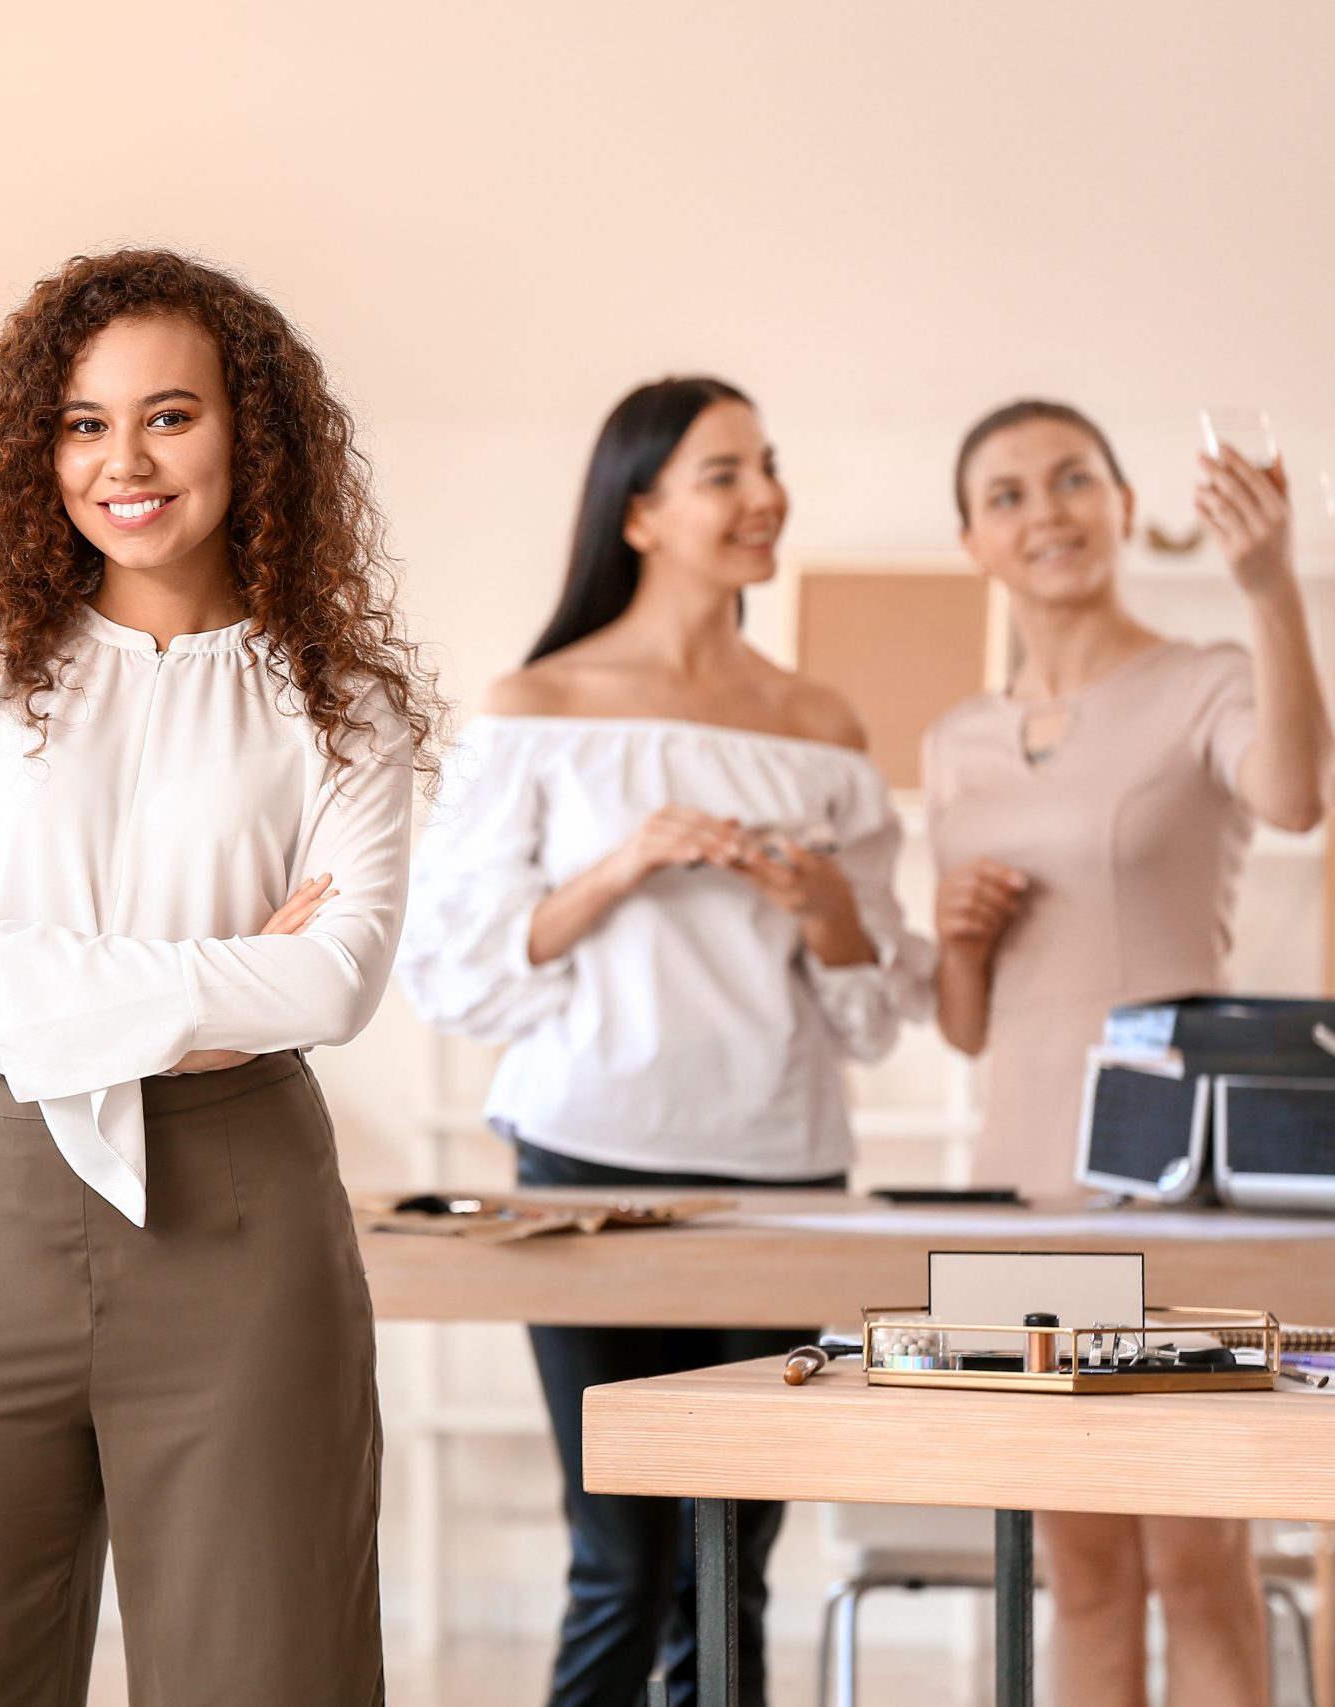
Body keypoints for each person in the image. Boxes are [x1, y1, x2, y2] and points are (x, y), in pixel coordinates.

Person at [0, 248, 437, 1705]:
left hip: (243, 1226)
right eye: (83, 423)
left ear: (250, 434)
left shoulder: (337, 703)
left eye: (169, 415)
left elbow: (333, 987)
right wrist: (215, 981)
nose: (126, 461)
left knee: (268, 1674)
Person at [396, 378, 932, 1707]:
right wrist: (622, 865)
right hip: (585, 1173)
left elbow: (870, 1004)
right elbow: (453, 966)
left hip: (783, 1175)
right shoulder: (539, 704)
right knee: (625, 1557)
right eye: (725, 472)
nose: (767, 498)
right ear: (639, 511)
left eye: (771, 466)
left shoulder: (821, 727)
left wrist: (828, 910)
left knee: (730, 1563)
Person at [926, 399, 1328, 1707]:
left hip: (1173, 1184)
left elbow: (1293, 793)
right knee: (1079, 1566)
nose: (1046, 510)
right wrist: (962, 940)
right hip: (1015, 1184)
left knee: (1198, 1557)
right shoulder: (953, 742)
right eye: (1008, 493)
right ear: (973, 538)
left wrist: (1269, 585)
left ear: (1117, 501)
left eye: (1073, 479)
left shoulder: (1205, 672)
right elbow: (967, 1021)